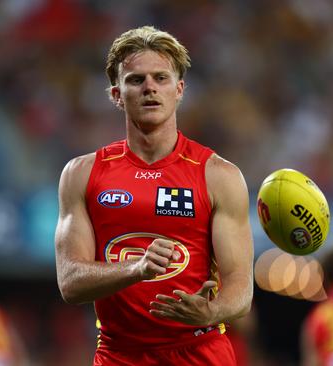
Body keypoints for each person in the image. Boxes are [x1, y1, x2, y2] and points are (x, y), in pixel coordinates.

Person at [54, 25, 254, 365]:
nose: (150, 88)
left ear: (179, 90)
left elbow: (241, 288)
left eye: (161, 78)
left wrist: (211, 311)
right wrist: (136, 268)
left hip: (200, 352)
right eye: (136, 80)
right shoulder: (82, 174)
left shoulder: (219, 175)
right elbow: (70, 283)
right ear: (117, 94)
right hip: (120, 355)